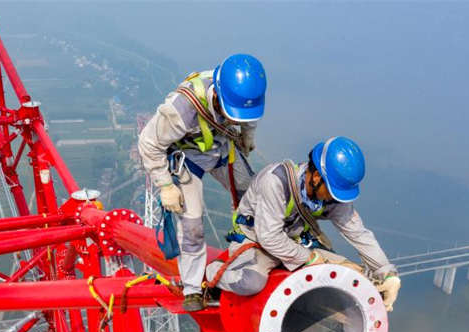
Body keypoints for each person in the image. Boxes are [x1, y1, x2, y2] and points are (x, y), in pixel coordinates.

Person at [206, 136, 402, 311]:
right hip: (257, 241)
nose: (335, 200)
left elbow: (358, 233)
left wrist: (387, 273)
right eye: (333, 192)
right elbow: (269, 237)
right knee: (250, 283)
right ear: (317, 177)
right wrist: (309, 259)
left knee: (351, 277)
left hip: (295, 241)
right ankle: (213, 273)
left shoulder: (332, 197)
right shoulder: (275, 182)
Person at [138, 54, 267, 311]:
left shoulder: (242, 94)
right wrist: (165, 185)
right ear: (217, 95)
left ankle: (259, 251)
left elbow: (248, 116)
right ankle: (193, 288)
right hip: (190, 157)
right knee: (192, 224)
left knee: (255, 197)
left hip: (221, 149)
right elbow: (149, 143)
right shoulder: (183, 108)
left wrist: (247, 136)